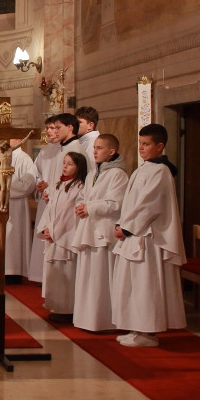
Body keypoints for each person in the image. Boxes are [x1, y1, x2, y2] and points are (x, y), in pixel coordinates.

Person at [112, 124, 187, 347]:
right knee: (134, 285)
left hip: (148, 237)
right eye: (140, 143)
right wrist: (122, 223)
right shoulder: (144, 168)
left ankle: (149, 333)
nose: (141, 148)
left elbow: (149, 205)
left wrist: (127, 228)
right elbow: (131, 202)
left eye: (146, 144)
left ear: (160, 146)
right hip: (136, 234)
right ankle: (137, 328)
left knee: (146, 286)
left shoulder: (160, 171)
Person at [72, 134, 128, 332]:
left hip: (104, 231)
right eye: (94, 147)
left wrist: (90, 207)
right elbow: (84, 196)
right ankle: (86, 319)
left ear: (111, 151)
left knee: (101, 279)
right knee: (88, 277)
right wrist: (81, 206)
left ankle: (104, 321)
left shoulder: (118, 174)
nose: (94, 151)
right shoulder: (93, 173)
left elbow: (116, 203)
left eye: (99, 148)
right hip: (89, 229)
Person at [36, 151, 88, 323]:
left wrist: (54, 231)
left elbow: (68, 215)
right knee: (54, 274)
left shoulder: (79, 187)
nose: (65, 166)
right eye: (64, 163)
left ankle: (67, 309)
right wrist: (46, 228)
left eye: (70, 164)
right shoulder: (58, 185)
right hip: (54, 235)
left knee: (66, 273)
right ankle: (55, 306)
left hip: (66, 236)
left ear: (78, 167)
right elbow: (51, 210)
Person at [0, 133, 37, 283]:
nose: (4, 140)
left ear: (18, 140)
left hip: (16, 205)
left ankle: (15, 272)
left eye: (9, 137)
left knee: (14, 238)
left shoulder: (25, 159)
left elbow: (29, 183)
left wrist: (6, 188)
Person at [29, 116, 61, 285]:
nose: (49, 131)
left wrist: (51, 186)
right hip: (45, 200)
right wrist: (39, 183)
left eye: (53, 127)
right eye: (47, 127)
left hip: (58, 200)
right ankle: (39, 275)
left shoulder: (65, 150)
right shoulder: (44, 151)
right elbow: (36, 173)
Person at [75, 106, 101, 173]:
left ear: (90, 125)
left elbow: (91, 171)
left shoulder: (93, 142)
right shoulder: (84, 141)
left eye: (79, 122)